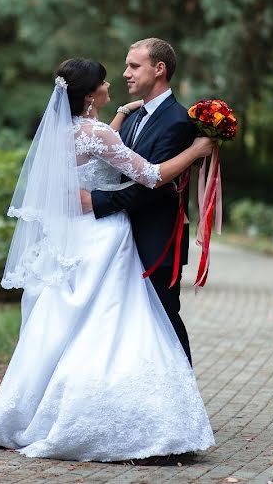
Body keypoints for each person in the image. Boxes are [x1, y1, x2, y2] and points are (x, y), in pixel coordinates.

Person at [0, 57, 215, 461]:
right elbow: (149, 175)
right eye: (107, 82)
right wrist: (197, 149)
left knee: (63, 325)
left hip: (69, 240)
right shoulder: (97, 133)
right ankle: (107, 414)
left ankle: (31, 411)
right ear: (92, 93)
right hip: (104, 238)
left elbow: (91, 157)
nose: (114, 83)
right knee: (111, 325)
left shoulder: (62, 132)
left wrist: (115, 119)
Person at [81, 38, 196, 364]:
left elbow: (151, 186)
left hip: (157, 240)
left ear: (159, 69)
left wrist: (94, 202)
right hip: (121, 241)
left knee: (165, 321)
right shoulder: (132, 117)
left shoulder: (177, 121)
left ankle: (186, 400)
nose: (125, 74)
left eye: (134, 66)